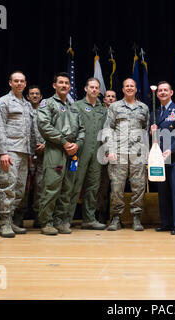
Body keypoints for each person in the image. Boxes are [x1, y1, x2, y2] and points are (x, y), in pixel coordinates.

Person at [37, 72, 85, 235]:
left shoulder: (74, 107)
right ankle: (46, 222)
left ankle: (60, 221)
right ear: (54, 85)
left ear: (70, 87)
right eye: (61, 83)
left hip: (72, 152)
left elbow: (82, 130)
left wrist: (77, 145)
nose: (64, 85)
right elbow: (44, 126)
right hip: (56, 149)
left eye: (67, 83)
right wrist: (64, 142)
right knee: (52, 187)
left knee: (67, 188)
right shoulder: (48, 103)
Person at [0, 71, 36, 238]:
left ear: (25, 84)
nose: (19, 83)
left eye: (22, 81)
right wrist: (3, 152)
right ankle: (5, 222)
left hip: (24, 152)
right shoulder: (4, 102)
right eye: (16, 81)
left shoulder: (27, 104)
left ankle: (12, 219)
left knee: (19, 189)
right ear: (10, 83)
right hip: (9, 152)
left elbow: (31, 131)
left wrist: (31, 152)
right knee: (6, 187)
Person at [103, 78, 149, 231]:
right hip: (118, 152)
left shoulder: (143, 108)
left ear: (136, 89)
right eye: (126, 86)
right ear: (123, 89)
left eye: (132, 86)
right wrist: (109, 150)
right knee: (117, 186)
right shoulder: (114, 107)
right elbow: (108, 128)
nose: (129, 88)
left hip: (137, 153)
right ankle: (116, 218)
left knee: (139, 186)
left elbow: (145, 131)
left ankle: (136, 217)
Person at [150, 81, 175, 235]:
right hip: (159, 158)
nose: (162, 93)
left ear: (172, 93)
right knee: (163, 192)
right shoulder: (154, 112)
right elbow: (155, 137)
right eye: (160, 90)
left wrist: (171, 150)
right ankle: (166, 222)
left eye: (165, 90)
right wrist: (151, 132)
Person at [70, 78, 107, 230]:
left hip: (97, 152)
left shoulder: (103, 109)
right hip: (79, 152)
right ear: (85, 88)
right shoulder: (76, 106)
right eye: (91, 87)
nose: (94, 90)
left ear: (99, 90)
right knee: (74, 184)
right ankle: (66, 218)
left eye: (96, 88)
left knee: (93, 186)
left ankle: (89, 219)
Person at [14, 85, 45, 228]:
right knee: (23, 186)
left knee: (41, 186)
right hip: (25, 153)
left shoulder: (46, 111)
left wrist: (45, 144)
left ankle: (39, 216)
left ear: (41, 96)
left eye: (37, 94)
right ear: (27, 96)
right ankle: (18, 216)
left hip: (43, 155)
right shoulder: (23, 109)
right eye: (31, 93)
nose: (34, 96)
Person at [97, 89, 117, 224]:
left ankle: (116, 216)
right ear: (104, 99)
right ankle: (101, 215)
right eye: (108, 96)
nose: (110, 98)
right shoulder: (98, 112)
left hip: (117, 154)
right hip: (101, 154)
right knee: (101, 186)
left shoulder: (119, 111)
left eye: (113, 97)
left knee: (116, 186)